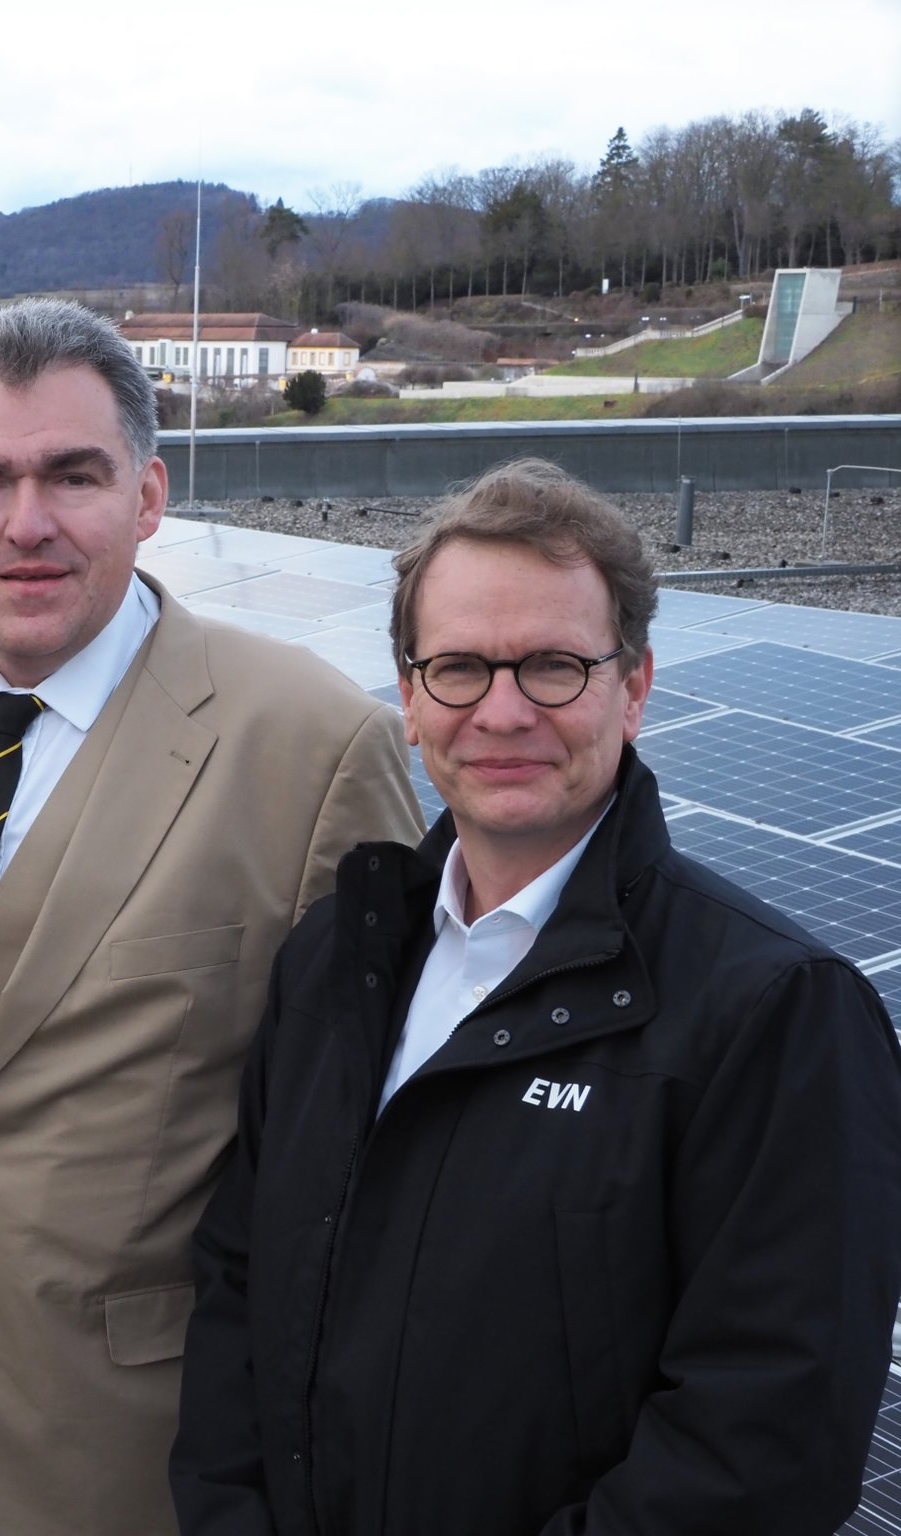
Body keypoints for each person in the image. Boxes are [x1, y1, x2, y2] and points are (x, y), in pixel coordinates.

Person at [171, 458, 901, 1536]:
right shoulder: (335, 958)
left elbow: (758, 1447)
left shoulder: (774, 1012)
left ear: (634, 687)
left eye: (553, 666)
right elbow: (238, 1285)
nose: (501, 712)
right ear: (408, 698)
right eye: (457, 668)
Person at [0, 299, 422, 1536]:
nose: (23, 524)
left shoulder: (310, 745)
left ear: (147, 495)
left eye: (71, 475)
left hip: (134, 1456)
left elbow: (372, 1164)